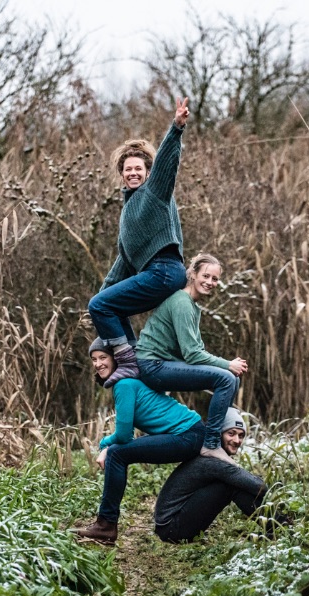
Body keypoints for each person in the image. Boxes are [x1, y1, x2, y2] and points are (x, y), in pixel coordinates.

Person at [87, 98, 192, 388]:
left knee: (102, 306)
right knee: (107, 306)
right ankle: (135, 359)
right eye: (127, 170)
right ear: (121, 174)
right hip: (155, 274)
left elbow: (167, 164)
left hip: (165, 270)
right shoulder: (128, 213)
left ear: (147, 172)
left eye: (138, 169)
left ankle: (129, 363)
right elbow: (122, 264)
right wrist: (98, 303)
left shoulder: (154, 191)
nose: (133, 173)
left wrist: (176, 128)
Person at [73, 338, 206, 545]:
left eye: (103, 357)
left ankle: (106, 525)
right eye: (94, 359)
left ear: (116, 359)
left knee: (117, 453)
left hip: (187, 434)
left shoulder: (124, 385)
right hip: (191, 433)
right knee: (117, 451)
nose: (98, 363)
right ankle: (105, 525)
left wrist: (104, 444)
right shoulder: (131, 382)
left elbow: (125, 435)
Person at [135, 254, 248, 462]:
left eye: (215, 279)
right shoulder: (182, 302)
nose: (210, 282)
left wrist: (225, 367)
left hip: (164, 364)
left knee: (232, 379)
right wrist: (227, 364)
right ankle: (211, 443)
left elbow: (196, 350)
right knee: (227, 378)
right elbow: (192, 354)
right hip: (152, 365)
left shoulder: (193, 306)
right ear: (193, 274)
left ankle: (223, 434)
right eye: (206, 276)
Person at [154, 408, 275, 544]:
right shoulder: (212, 462)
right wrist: (278, 494)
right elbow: (260, 487)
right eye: (231, 433)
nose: (236, 440)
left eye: (241, 435)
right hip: (172, 528)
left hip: (172, 526)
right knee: (232, 485)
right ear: (219, 434)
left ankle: (276, 525)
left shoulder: (212, 457)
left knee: (237, 481)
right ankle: (278, 527)